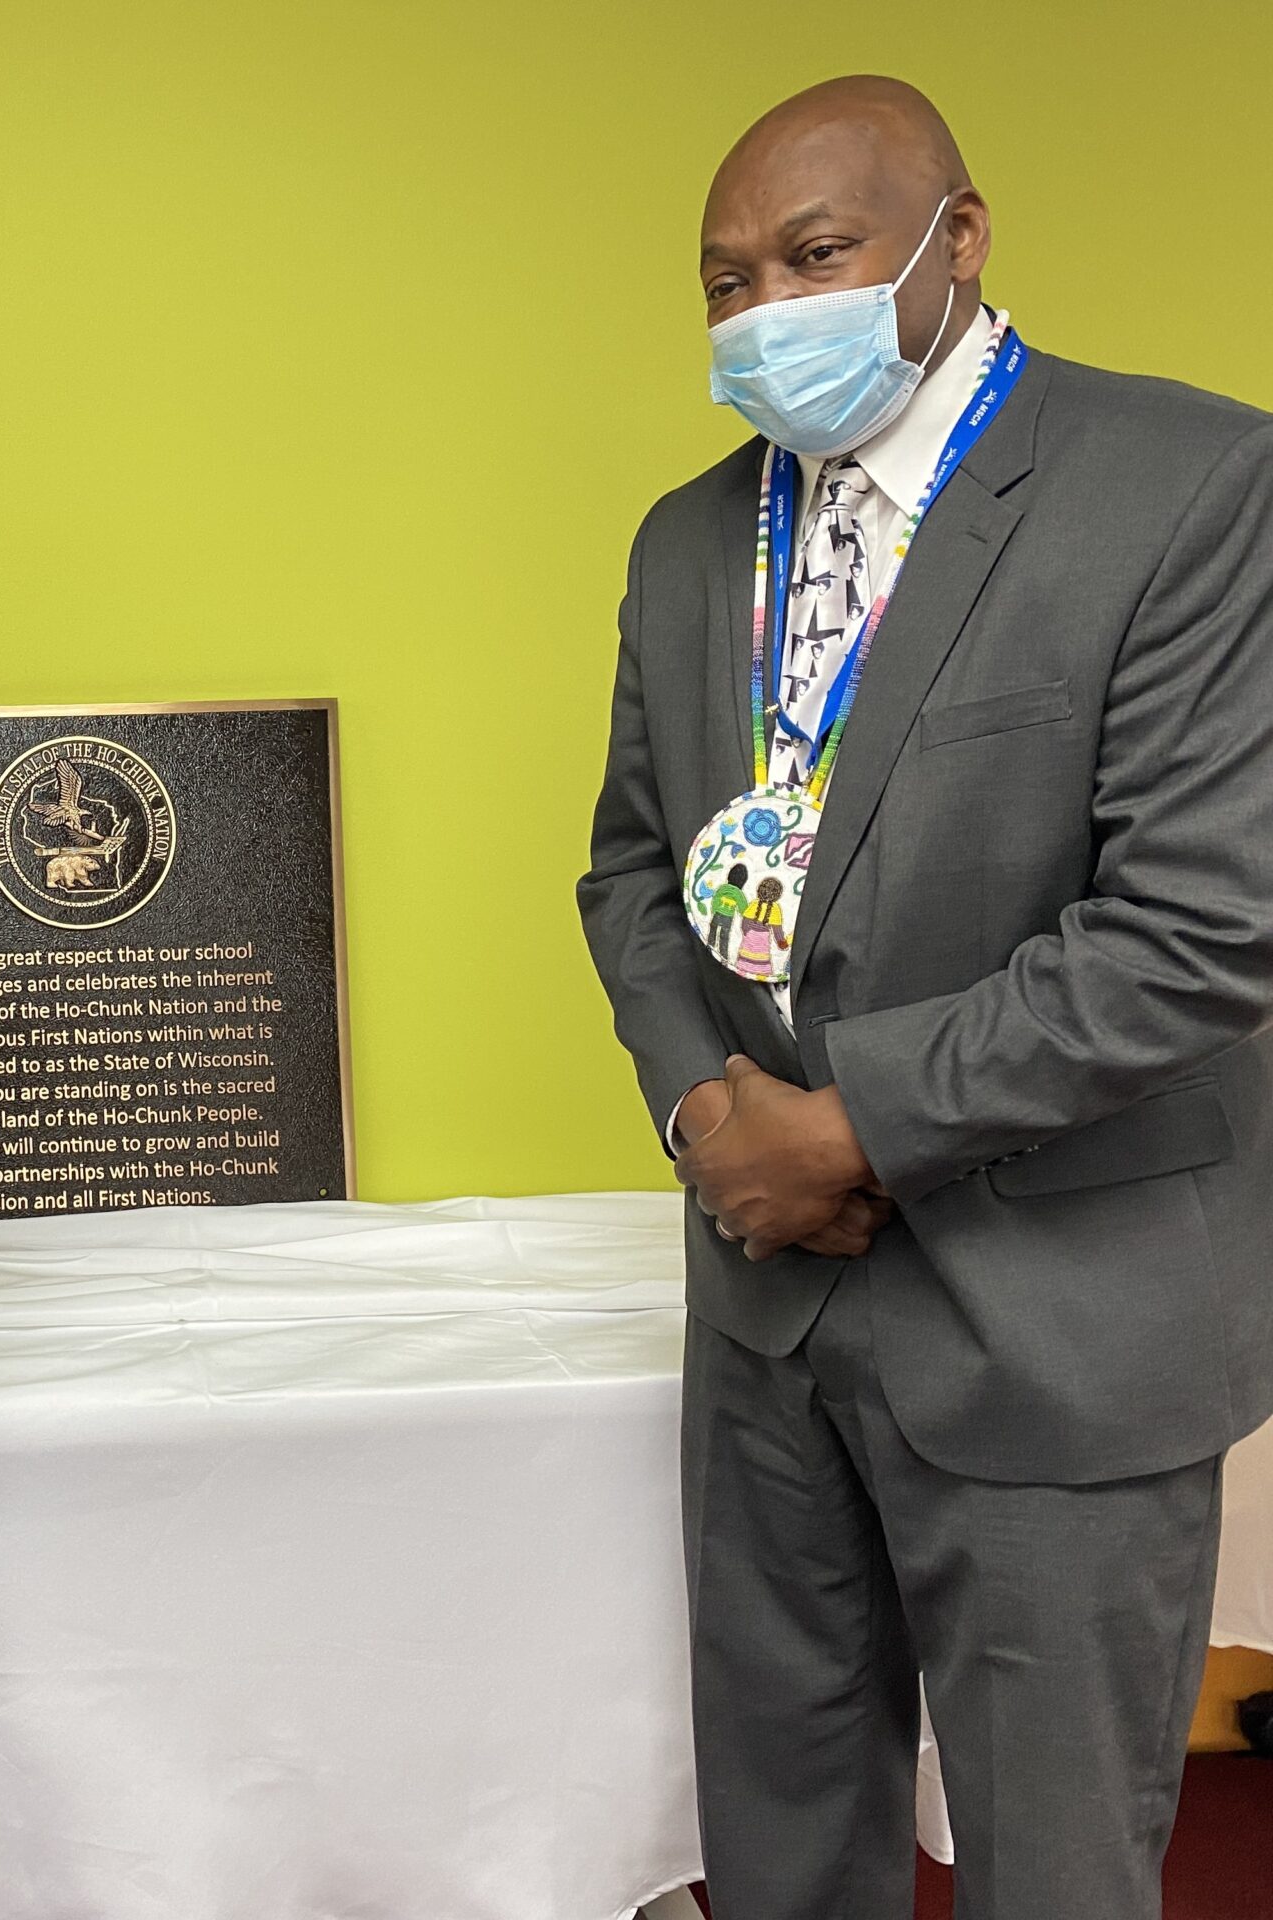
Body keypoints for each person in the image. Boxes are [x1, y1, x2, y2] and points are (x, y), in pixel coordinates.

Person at [580, 76, 1273, 1920]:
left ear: (958, 241)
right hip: (770, 1316)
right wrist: (705, 1115)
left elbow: (1201, 926)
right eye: (723, 284)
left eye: (815, 257)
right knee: (784, 1851)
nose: (763, 314)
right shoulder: (685, 541)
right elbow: (634, 876)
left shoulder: (1192, 486)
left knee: (1059, 1871)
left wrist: (855, 1122)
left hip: (1058, 1315)